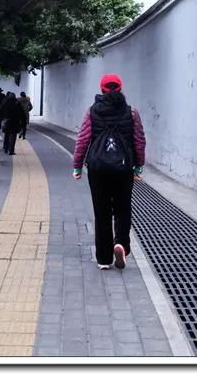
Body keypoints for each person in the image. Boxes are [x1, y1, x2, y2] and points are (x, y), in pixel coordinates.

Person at [72, 73, 146, 271]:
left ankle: (104, 259)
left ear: (102, 89)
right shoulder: (132, 113)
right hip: (123, 168)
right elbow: (139, 140)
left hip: (98, 169)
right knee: (123, 208)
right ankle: (121, 243)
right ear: (120, 89)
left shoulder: (92, 111)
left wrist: (77, 166)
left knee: (101, 211)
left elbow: (83, 139)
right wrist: (138, 166)